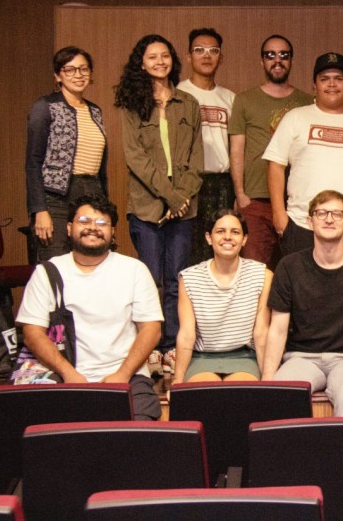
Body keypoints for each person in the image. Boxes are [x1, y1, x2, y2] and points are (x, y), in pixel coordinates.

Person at [16, 195, 163, 419]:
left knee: (142, 427)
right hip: (63, 373)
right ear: (69, 228)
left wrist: (122, 375)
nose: (93, 228)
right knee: (38, 427)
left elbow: (151, 329)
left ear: (112, 232)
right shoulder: (48, 272)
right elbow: (32, 333)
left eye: (102, 223)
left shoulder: (134, 270)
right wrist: (68, 373)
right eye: (84, 221)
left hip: (127, 376)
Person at [115, 33, 203, 370]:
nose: (160, 62)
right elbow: (135, 159)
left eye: (164, 55)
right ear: (141, 63)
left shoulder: (188, 103)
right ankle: (150, 344)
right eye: (152, 57)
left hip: (184, 209)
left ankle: (172, 345)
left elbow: (197, 158)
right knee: (151, 280)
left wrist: (182, 198)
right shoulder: (132, 104)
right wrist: (170, 196)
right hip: (146, 207)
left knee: (177, 280)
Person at [262, 190, 343, 416]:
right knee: (281, 398)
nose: (329, 219)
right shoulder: (289, 266)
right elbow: (278, 330)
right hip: (301, 357)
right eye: (321, 213)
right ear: (309, 221)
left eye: (337, 214)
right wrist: (267, 380)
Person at [265, 51, 343, 255]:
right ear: (314, 86)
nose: (332, 84)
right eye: (324, 79)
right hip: (302, 224)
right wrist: (279, 214)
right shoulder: (295, 118)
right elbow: (275, 165)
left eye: (338, 79)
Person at [228, 34, 313, 268]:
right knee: (254, 270)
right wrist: (240, 194)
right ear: (262, 61)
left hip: (296, 201)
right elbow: (237, 150)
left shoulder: (308, 102)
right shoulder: (245, 100)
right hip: (255, 199)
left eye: (284, 55)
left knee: (297, 269)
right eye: (270, 55)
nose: (277, 60)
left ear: (291, 60)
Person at [26, 46, 108, 262]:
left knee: (90, 261)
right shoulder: (45, 107)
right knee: (56, 263)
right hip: (56, 198)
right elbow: (33, 162)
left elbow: (101, 167)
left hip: (91, 193)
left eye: (83, 69)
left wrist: (105, 208)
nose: (78, 75)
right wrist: (39, 210)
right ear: (58, 75)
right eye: (70, 70)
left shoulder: (95, 110)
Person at [173, 210, 272, 384]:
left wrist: (267, 380)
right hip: (202, 358)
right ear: (209, 238)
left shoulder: (263, 275)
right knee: (206, 394)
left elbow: (261, 332)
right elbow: (187, 334)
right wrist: (178, 380)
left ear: (244, 239)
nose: (227, 237)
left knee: (238, 394)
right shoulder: (189, 278)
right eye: (220, 231)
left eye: (235, 232)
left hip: (244, 357)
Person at [177, 28, 236, 266]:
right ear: (189, 56)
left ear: (221, 58)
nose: (206, 55)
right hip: (189, 183)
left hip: (222, 183)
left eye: (213, 50)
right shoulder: (178, 93)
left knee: (221, 247)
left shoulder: (230, 98)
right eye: (199, 50)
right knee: (188, 249)